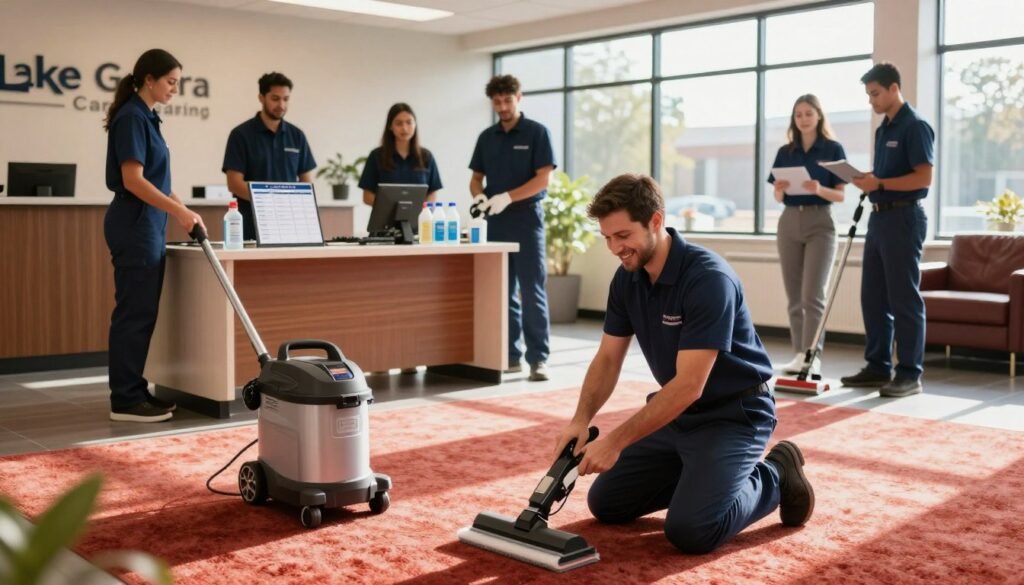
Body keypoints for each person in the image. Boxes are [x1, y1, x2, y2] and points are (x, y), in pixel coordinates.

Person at [552, 174, 814, 554]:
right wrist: (581, 419)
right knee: (607, 503)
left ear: (656, 221)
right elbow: (608, 358)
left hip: (734, 414)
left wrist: (617, 441)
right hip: (679, 415)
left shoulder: (708, 279)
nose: (614, 248)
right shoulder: (627, 279)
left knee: (692, 530)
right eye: (607, 237)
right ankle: (704, 479)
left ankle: (776, 473)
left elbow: (691, 384)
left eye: (623, 235)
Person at [103, 49, 206, 422]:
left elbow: (158, 180)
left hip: (147, 222)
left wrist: (184, 208)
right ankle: (125, 399)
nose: (175, 89)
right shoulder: (132, 117)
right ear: (149, 79)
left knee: (143, 311)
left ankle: (135, 389)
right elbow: (133, 180)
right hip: (134, 223)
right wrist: (176, 210)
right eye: (171, 81)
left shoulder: (148, 117)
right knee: (134, 312)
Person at [841, 62, 934, 398]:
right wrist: (867, 178)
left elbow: (923, 179)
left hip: (904, 219)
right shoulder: (884, 129)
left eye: (875, 94)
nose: (872, 101)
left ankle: (910, 373)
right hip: (879, 218)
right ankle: (878, 365)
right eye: (868, 95)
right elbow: (885, 175)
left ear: (894, 88)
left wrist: (878, 181)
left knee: (903, 297)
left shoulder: (915, 126)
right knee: (873, 296)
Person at [469, 74, 555, 382]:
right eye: (497, 101)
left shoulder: (536, 133)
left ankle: (539, 359)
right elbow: (476, 178)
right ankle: (510, 355)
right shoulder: (487, 137)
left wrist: (507, 196)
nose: (503, 106)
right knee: (501, 291)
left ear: (519, 98)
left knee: (531, 290)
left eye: (508, 100)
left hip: (526, 219)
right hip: (496, 220)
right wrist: (480, 197)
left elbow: (544, 178)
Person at [768, 95, 847, 375]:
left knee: (813, 295)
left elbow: (840, 195)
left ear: (819, 116)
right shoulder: (785, 152)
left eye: (808, 113)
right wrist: (779, 188)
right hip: (789, 220)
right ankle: (799, 354)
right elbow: (778, 196)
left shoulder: (833, 148)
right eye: (798, 114)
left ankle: (813, 355)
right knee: (794, 296)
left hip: (820, 221)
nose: (803, 119)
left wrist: (818, 189)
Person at [223, 72, 316, 241]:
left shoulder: (297, 136)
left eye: (286, 99)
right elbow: (234, 183)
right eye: (275, 98)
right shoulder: (241, 135)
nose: (281, 104)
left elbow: (307, 183)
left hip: (289, 225)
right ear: (261, 97)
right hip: (251, 226)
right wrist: (270, 201)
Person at [359, 103, 442, 207]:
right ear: (390, 126)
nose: (404, 128)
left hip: (419, 220)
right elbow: (367, 196)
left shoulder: (426, 156)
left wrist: (423, 209)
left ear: (415, 125)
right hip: (385, 220)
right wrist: (390, 207)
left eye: (409, 122)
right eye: (398, 123)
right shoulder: (376, 156)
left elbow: (432, 192)